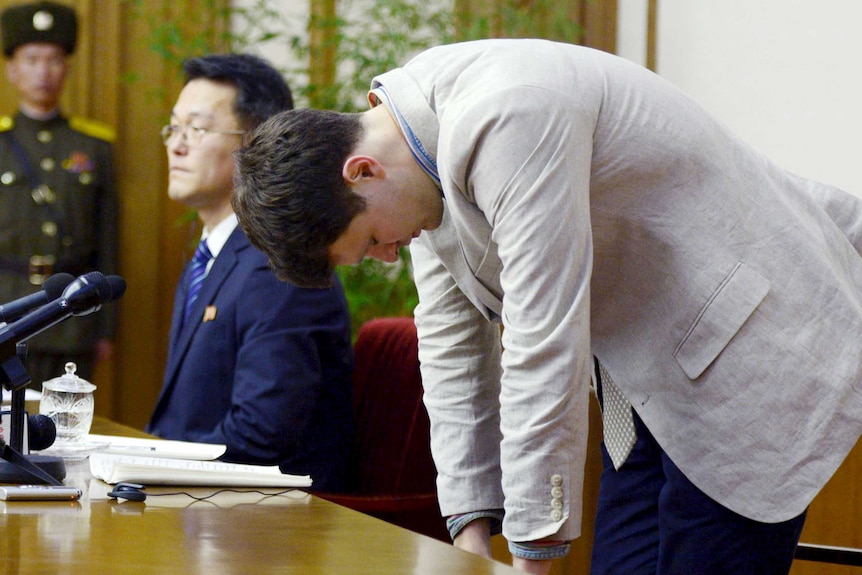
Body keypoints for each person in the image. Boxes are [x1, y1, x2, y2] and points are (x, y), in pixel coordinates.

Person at [232, 39, 862, 574]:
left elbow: (542, 334)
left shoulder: (507, 111)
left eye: (371, 242)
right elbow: (451, 351)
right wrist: (471, 529)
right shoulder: (410, 155)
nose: (389, 256)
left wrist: (531, 549)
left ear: (362, 171)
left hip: (748, 349)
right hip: (651, 376)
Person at [145, 54, 355, 493]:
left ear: (257, 143)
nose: (175, 145)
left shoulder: (279, 266)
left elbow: (264, 434)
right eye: (173, 127)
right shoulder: (212, 257)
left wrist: (147, 465)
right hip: (194, 498)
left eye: (197, 129)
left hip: (259, 521)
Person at [0, 1, 119, 389]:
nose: (42, 72)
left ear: (66, 67)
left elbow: (109, 240)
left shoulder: (95, 146)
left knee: (70, 426)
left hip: (74, 316)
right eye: (31, 59)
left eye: (52, 60)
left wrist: (107, 328)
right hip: (9, 310)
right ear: (11, 69)